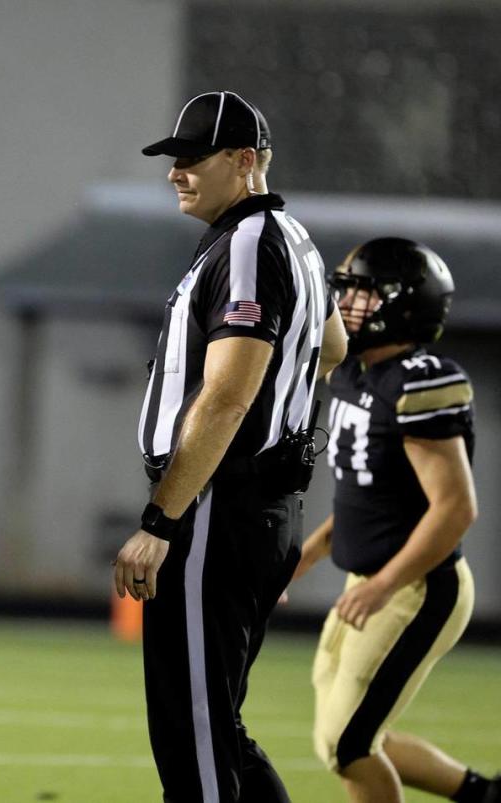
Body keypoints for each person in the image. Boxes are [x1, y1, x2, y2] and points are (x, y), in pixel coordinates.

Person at [113, 90, 348, 803]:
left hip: (219, 507)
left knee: (194, 740)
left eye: (191, 158)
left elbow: (226, 395)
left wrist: (161, 521)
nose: (175, 173)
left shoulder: (248, 242)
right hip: (260, 503)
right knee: (224, 733)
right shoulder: (294, 238)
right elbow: (332, 346)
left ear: (244, 161)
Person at [290, 238, 499, 803]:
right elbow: (367, 496)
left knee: (348, 745)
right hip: (376, 580)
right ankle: (482, 793)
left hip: (416, 586)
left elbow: (456, 507)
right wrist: (307, 555)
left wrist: (383, 583)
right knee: (343, 737)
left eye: (360, 292)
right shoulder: (355, 375)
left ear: (402, 304)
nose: (345, 303)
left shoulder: (421, 380)